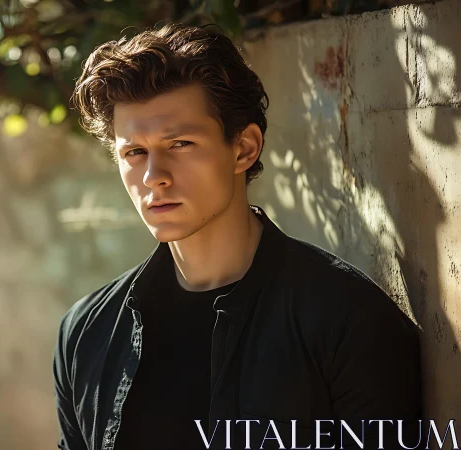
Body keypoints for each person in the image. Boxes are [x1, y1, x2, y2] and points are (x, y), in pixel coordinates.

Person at [53, 24, 422, 450]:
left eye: (180, 143)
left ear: (244, 148)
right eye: (134, 152)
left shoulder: (347, 320)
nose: (154, 177)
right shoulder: (86, 333)